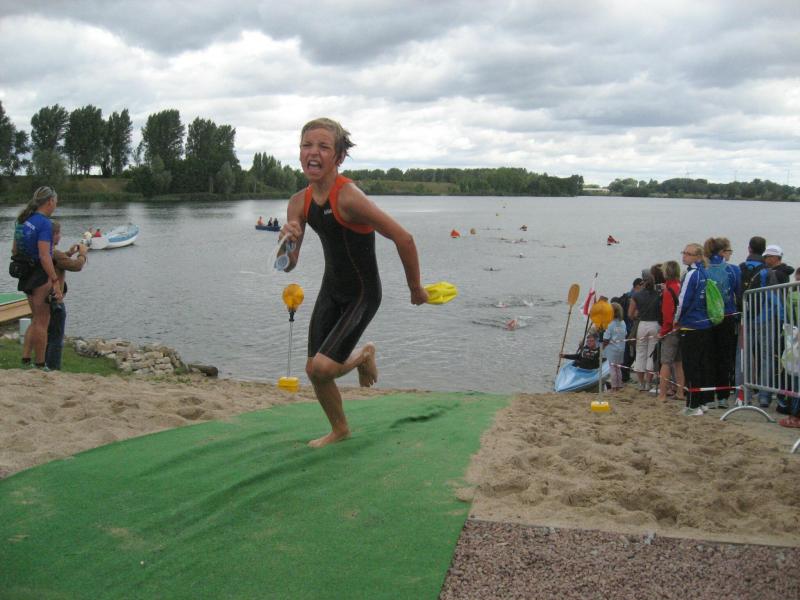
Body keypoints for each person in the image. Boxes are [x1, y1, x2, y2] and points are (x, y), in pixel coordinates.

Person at [279, 118, 428, 448]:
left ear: (339, 157)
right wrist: (287, 243)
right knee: (313, 370)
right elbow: (289, 265)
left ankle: (362, 356)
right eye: (306, 145)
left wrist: (415, 288)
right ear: (299, 152)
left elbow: (404, 238)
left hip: (363, 293)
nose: (313, 152)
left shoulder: (349, 197)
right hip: (331, 290)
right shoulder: (297, 203)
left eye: (323, 147)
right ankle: (340, 429)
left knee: (323, 368)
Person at [11, 186, 62, 369]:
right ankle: (40, 364)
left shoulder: (23, 220)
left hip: (25, 273)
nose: (55, 205)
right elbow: (44, 255)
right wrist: (55, 280)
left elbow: (14, 250)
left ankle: (26, 358)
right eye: (55, 202)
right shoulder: (44, 224)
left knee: (35, 318)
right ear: (50, 201)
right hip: (40, 275)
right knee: (42, 321)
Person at [675, 243, 713, 416]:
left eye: (688, 253)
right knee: (702, 364)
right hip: (704, 324)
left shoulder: (692, 274)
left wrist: (676, 320)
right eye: (684, 252)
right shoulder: (704, 273)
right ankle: (703, 402)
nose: (684, 256)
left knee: (691, 366)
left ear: (697, 257)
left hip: (692, 325)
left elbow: (683, 300)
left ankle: (693, 405)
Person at [44, 221, 88, 370]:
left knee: (48, 334)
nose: (60, 236)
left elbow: (58, 261)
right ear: (53, 235)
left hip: (44, 298)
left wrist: (68, 253)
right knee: (56, 337)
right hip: (56, 300)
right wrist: (82, 254)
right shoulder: (55, 253)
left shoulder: (44, 251)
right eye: (58, 233)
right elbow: (76, 266)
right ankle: (53, 367)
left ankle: (44, 363)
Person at [704, 237, 741, 409]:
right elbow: (738, 292)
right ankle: (723, 396)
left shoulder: (703, 269)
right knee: (724, 357)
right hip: (727, 315)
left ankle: (708, 395)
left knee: (708, 356)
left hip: (706, 317)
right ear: (722, 252)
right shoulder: (733, 270)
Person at [657, 260, 685, 402]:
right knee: (679, 362)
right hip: (682, 328)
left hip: (671, 330)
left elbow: (667, 316)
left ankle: (662, 394)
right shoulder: (681, 286)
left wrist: (662, 332)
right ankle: (680, 392)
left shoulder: (669, 290)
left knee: (666, 362)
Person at [628, 274, 661, 392]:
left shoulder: (636, 295)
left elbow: (630, 314)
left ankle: (641, 383)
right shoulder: (658, 295)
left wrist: (636, 316)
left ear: (643, 283)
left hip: (642, 324)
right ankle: (648, 383)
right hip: (655, 324)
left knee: (640, 353)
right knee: (651, 354)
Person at [604, 303, 627, 391]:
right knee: (618, 367)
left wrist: (602, 347)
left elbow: (606, 338)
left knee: (612, 368)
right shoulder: (623, 322)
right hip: (621, 348)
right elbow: (625, 333)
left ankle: (614, 386)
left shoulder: (609, 324)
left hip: (612, 349)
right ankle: (619, 385)